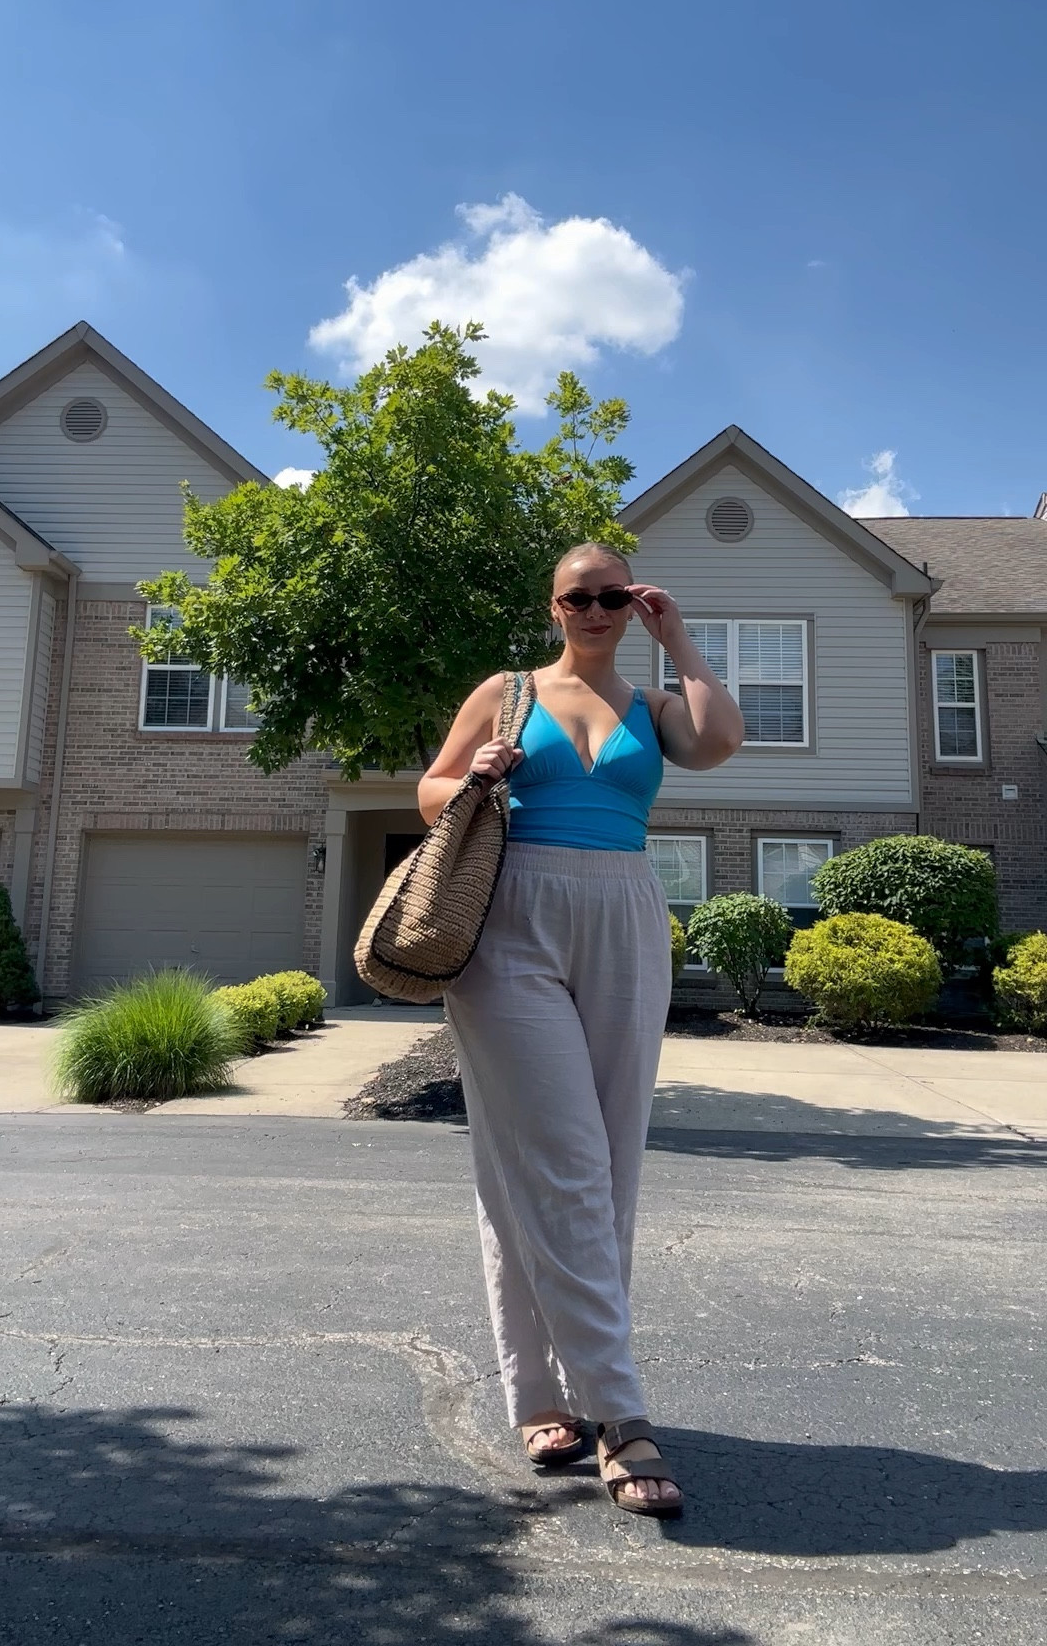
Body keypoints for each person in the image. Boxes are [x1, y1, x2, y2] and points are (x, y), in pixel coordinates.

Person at [417, 542, 744, 1516]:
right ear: (554, 606)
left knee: (603, 1166)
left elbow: (722, 738)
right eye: (579, 597)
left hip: (625, 916)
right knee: (557, 1156)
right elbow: (428, 791)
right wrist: (473, 773)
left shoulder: (652, 705)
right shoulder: (507, 691)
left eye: (613, 596)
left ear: (629, 603)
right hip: (511, 912)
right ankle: (620, 1415)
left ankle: (541, 1395)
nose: (595, 609)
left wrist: (676, 635)